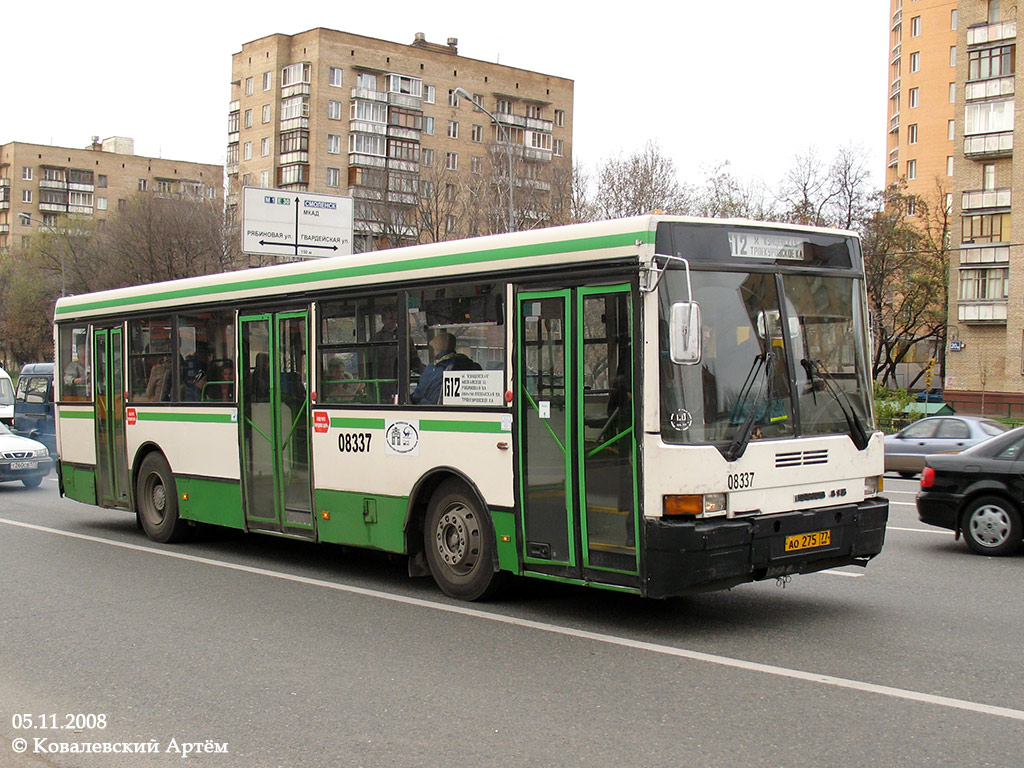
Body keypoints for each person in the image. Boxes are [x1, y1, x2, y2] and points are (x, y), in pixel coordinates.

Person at [409, 331, 477, 405]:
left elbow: (417, 396)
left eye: (433, 348)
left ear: (436, 349)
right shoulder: (466, 363)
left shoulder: (433, 369)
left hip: (432, 410)